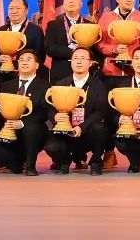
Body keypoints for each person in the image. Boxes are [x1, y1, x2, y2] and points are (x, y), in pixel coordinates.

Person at [44, 47, 107, 175]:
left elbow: (99, 112)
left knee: (100, 129)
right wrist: (55, 117)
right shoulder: (61, 84)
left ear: (90, 63)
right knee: (50, 145)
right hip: (65, 132)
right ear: (71, 61)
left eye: (83, 58)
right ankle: (64, 161)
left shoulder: (99, 85)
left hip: (87, 132)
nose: (79, 61)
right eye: (75, 58)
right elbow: (51, 110)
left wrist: (81, 127)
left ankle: (96, 162)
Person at [0, 49, 49, 176]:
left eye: (29, 59)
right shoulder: (7, 85)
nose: (24, 62)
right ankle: (17, 163)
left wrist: (22, 123)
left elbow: (43, 112)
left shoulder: (45, 86)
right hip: (9, 130)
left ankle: (30, 164)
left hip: (32, 130)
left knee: (32, 129)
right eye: (21, 60)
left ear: (37, 65)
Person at [96, 0, 140, 78]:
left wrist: (135, 57)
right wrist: (114, 49)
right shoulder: (106, 17)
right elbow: (100, 44)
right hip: (111, 71)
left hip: (135, 71)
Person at [0, 0, 46, 82]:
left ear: (26, 11)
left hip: (25, 78)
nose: (14, 11)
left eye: (18, 8)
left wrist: (21, 62)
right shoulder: (0, 30)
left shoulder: (36, 31)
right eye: (11, 8)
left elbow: (40, 57)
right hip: (3, 78)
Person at [43, 0, 95, 83]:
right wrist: (72, 52)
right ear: (63, 4)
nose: (71, 1)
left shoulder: (91, 26)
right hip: (61, 74)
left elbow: (95, 49)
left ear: (81, 4)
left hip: (85, 74)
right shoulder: (53, 25)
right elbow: (49, 48)